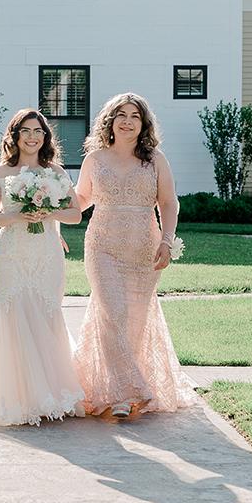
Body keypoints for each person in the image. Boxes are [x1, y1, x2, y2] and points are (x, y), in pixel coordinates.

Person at [72, 93, 196, 419]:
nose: (128, 121)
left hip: (144, 247)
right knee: (113, 311)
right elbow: (81, 199)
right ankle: (127, 393)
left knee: (134, 319)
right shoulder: (95, 159)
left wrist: (167, 241)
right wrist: (46, 204)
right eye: (121, 115)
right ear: (109, 121)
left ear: (144, 124)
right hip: (102, 246)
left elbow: (168, 203)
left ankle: (120, 387)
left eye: (135, 116)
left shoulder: (155, 160)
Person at [0, 109, 85, 425]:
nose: (32, 137)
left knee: (46, 312)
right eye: (25, 131)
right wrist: (18, 216)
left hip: (45, 254)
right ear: (14, 136)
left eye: (38, 131)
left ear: (45, 137)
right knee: (14, 313)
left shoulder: (56, 172)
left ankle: (52, 392)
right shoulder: (0, 173)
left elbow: (76, 214)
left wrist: (49, 214)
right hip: (11, 255)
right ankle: (17, 395)